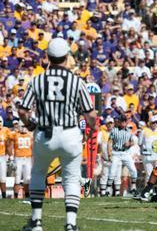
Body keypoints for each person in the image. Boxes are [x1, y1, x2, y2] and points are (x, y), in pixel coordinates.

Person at [18, 38, 97, 231]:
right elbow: (91, 114)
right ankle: (70, 223)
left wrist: (29, 124)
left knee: (38, 172)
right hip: (70, 134)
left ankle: (36, 222)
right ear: (66, 57)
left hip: (45, 133)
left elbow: (22, 111)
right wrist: (90, 131)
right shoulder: (76, 81)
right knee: (71, 178)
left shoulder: (37, 80)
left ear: (48, 57)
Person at [106, 114, 138, 197]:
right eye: (121, 121)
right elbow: (109, 142)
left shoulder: (129, 131)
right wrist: (109, 153)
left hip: (125, 153)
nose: (123, 123)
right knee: (112, 171)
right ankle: (108, 189)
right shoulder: (114, 130)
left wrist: (129, 144)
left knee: (133, 170)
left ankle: (133, 187)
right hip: (116, 152)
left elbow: (133, 142)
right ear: (119, 122)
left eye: (124, 121)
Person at [8, 121, 33, 199]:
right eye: (22, 126)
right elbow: (9, 144)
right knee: (17, 178)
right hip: (18, 158)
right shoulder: (15, 134)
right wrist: (11, 156)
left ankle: (27, 195)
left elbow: (33, 148)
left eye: (25, 126)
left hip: (28, 158)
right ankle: (15, 196)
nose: (23, 128)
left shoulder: (30, 135)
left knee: (27, 179)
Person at [0, 117, 11, 199]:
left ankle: (4, 195)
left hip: (2, 156)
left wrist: (10, 156)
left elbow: (8, 144)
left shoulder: (5, 130)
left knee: (3, 177)